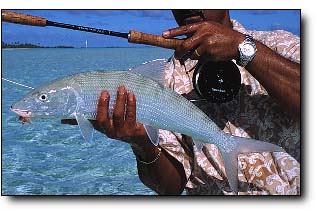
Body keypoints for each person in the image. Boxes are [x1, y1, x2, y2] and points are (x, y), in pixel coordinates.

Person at [62, 10, 300, 195]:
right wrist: (140, 142)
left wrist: (244, 50)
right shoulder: (165, 80)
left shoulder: (281, 45)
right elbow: (170, 188)